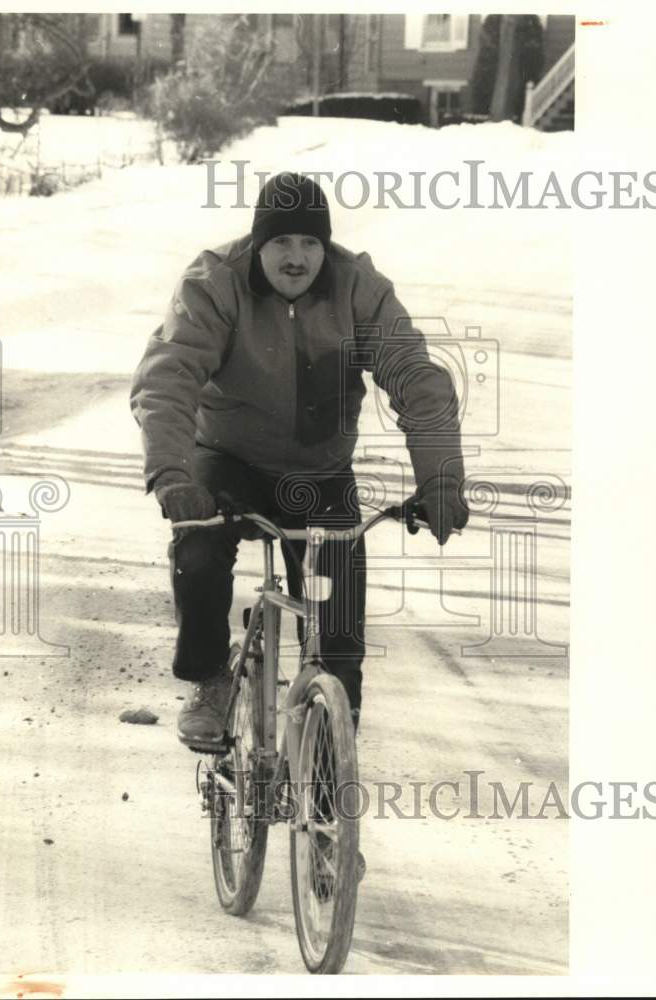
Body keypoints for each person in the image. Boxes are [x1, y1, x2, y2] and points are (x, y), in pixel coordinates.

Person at [130, 172, 469, 746]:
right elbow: (169, 378)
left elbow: (418, 380)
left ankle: (330, 778)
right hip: (228, 458)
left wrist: (439, 481)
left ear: (325, 246)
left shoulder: (358, 288)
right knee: (201, 549)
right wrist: (172, 474)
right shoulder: (215, 283)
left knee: (338, 632)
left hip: (321, 474)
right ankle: (211, 677)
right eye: (282, 242)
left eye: (310, 242)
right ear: (258, 243)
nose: (296, 257)